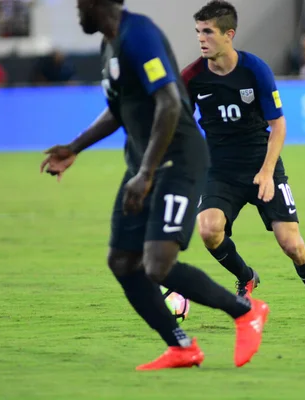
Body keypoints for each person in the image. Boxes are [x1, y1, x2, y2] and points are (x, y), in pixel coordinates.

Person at [39, 0, 269, 371]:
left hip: (177, 161)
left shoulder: (139, 35)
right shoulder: (109, 45)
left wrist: (146, 173)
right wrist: (74, 147)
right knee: (122, 260)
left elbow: (168, 103)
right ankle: (181, 346)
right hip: (144, 166)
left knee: (157, 263)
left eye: (80, 4)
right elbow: (118, 109)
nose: (76, 11)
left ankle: (246, 312)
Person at [181, 0, 305, 324]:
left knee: (291, 243)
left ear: (229, 34)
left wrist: (267, 173)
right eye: (198, 31)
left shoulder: (255, 70)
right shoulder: (193, 77)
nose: (201, 39)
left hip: (262, 164)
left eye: (208, 32)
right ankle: (246, 276)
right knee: (209, 230)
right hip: (220, 170)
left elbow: (278, 125)